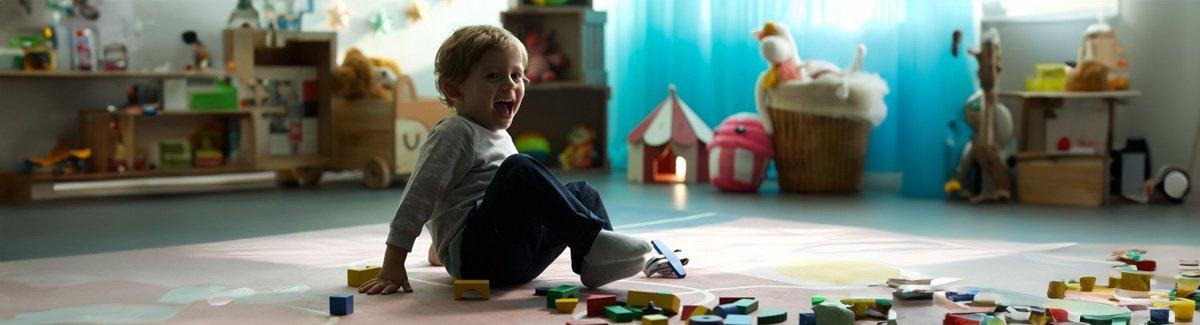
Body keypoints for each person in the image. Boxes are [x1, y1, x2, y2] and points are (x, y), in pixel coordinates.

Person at [359, 25, 650, 295]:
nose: (510, 84)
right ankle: (593, 241)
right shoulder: (455, 131)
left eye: (517, 75)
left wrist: (439, 246)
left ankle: (594, 263)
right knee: (519, 169)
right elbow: (422, 194)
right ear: (454, 90)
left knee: (582, 191)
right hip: (478, 261)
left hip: (517, 258)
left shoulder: (498, 135)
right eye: (493, 76)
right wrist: (393, 262)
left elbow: (462, 201)